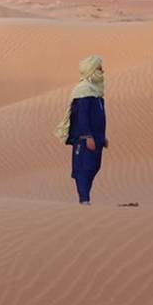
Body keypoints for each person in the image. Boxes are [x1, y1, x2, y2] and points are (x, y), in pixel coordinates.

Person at [55, 55, 108, 205]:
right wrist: (87, 136)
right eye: (99, 69)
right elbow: (82, 117)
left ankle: (85, 198)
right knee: (83, 169)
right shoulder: (83, 91)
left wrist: (102, 137)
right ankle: (84, 200)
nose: (102, 71)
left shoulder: (96, 92)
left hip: (96, 138)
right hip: (85, 139)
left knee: (94, 166)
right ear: (91, 70)